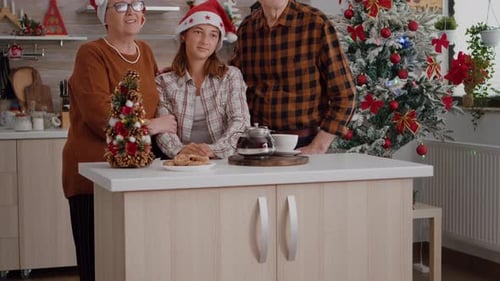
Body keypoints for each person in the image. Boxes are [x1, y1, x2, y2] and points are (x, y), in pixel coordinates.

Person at [62, 1, 176, 280]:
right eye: (120, 4)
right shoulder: (91, 53)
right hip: (95, 173)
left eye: (137, 4)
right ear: (104, 16)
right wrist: (152, 126)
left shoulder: (145, 52)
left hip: (136, 172)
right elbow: (100, 115)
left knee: (133, 262)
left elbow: (151, 98)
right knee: (98, 265)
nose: (131, 10)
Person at [231, 0, 357, 154]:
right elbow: (233, 89)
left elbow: (345, 95)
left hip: (304, 144)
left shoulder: (315, 24)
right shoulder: (247, 29)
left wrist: (319, 145)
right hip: (256, 144)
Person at [155, 0, 250, 159]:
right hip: (180, 163)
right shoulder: (164, 82)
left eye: (213, 35)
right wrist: (180, 151)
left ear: (218, 42)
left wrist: (213, 150)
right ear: (184, 35)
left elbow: (240, 123)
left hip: (223, 161)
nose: (205, 41)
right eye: (198, 32)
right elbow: (164, 128)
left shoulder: (231, 76)